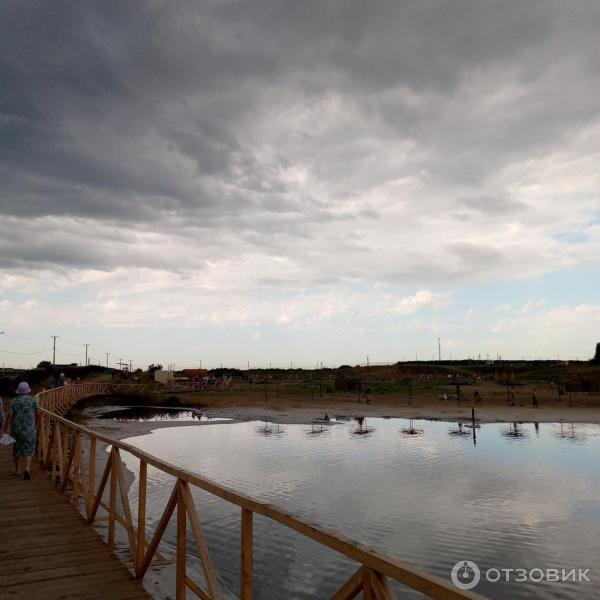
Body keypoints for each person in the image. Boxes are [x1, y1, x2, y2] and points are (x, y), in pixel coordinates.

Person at [2, 382, 39, 480]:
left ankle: (18, 470)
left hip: (17, 429)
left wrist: (5, 428)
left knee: (16, 449)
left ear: (19, 391)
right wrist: (36, 424)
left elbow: (9, 415)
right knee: (29, 449)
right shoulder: (33, 400)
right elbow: (37, 414)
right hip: (30, 429)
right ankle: (27, 468)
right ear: (28, 390)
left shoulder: (14, 401)